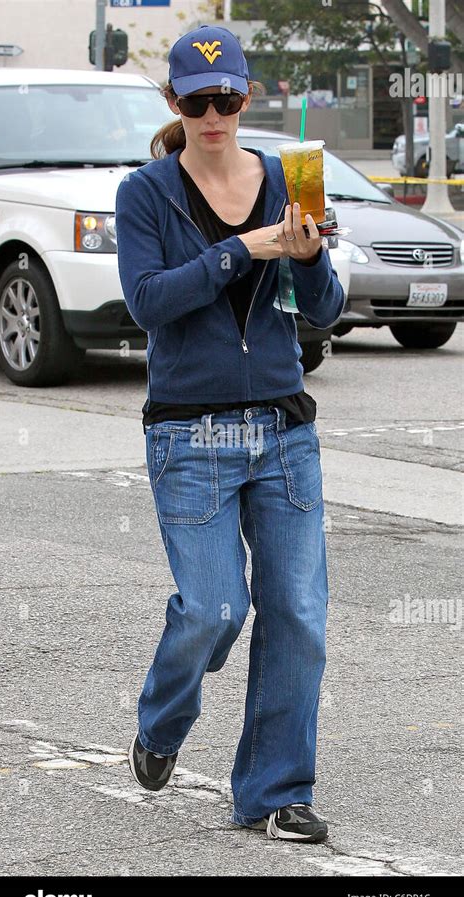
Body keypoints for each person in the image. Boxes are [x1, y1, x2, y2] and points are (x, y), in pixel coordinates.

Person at [115, 23, 345, 842]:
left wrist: (310, 258)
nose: (214, 115)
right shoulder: (145, 192)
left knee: (299, 612)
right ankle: (160, 723)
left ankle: (276, 791)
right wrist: (243, 249)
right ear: (175, 103)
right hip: (190, 434)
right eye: (197, 101)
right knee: (215, 607)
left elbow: (324, 312)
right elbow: (147, 301)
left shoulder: (297, 177)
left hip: (282, 427)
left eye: (229, 99)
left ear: (249, 97)